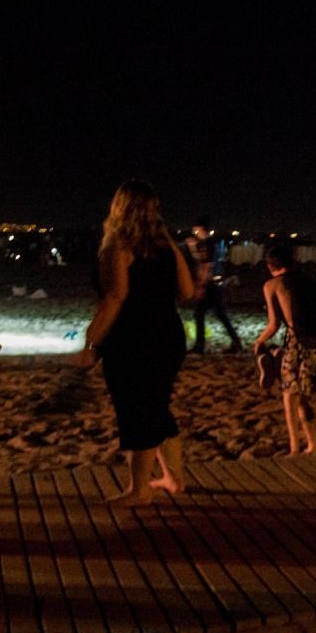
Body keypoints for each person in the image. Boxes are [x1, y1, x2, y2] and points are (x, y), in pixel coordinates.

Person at [71, 180, 196, 505]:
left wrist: (91, 343)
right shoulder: (166, 246)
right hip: (168, 336)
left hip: (133, 339)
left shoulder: (118, 245)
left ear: (119, 207)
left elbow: (115, 297)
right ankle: (174, 478)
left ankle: (139, 490)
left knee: (136, 410)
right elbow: (187, 292)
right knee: (157, 405)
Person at [253, 245, 316, 456]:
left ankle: (295, 447)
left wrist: (258, 341)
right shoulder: (307, 281)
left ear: (271, 266)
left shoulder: (273, 284)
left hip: (297, 343)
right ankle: (313, 444)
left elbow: (274, 324)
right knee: (302, 396)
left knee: (289, 395)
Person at [184, 216, 241, 354]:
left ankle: (200, 346)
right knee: (218, 315)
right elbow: (204, 260)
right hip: (215, 284)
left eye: (196, 229)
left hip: (210, 286)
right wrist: (192, 249)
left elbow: (206, 266)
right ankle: (236, 343)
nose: (194, 232)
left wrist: (200, 286)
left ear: (201, 229)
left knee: (201, 314)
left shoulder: (205, 244)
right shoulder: (210, 243)